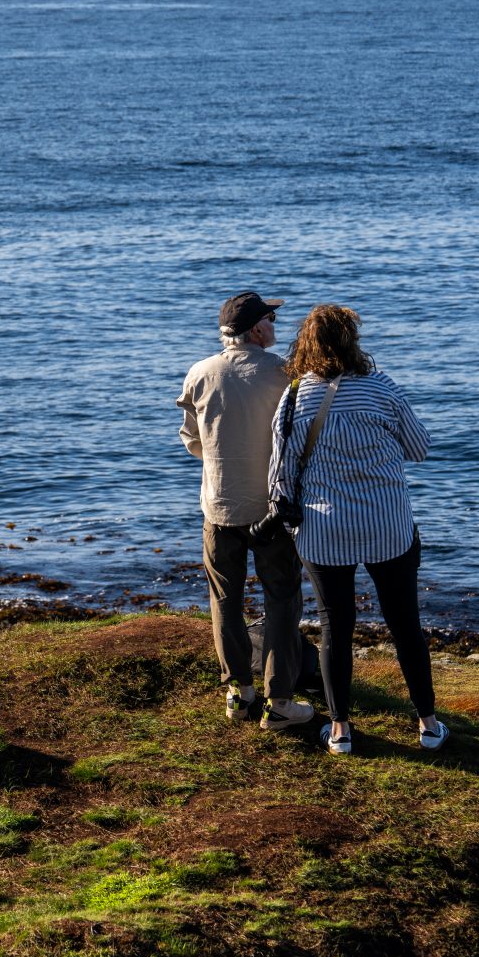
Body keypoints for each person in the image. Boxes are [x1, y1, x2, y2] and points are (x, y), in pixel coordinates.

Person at [269, 303, 444, 755]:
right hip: (388, 524)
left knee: (335, 628)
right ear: (353, 341)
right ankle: (427, 724)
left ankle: (341, 731)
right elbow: (420, 448)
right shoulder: (382, 387)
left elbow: (281, 476)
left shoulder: (294, 398)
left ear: (305, 343)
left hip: (325, 530)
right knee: (405, 624)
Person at [178, 292, 316, 729]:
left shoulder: (200, 373)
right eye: (271, 319)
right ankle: (280, 701)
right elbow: (304, 440)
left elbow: (193, 442)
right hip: (271, 509)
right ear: (257, 330)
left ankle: (239, 692)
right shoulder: (284, 374)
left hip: (219, 506)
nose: (276, 326)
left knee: (225, 599)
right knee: (282, 601)